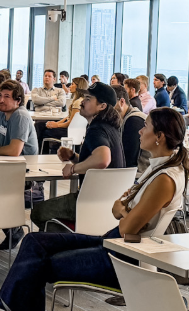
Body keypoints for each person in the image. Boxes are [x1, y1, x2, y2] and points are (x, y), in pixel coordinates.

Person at [0, 108, 189, 311]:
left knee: (35, 265)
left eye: (145, 126)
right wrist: (123, 208)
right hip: (113, 242)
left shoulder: (165, 179)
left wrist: (123, 209)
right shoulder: (158, 168)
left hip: (125, 258)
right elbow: (118, 206)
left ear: (159, 136)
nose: (139, 130)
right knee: (33, 241)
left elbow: (126, 223)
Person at [30, 82, 125, 229]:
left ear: (102, 106)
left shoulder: (96, 129)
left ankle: (71, 241)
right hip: (109, 201)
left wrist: (73, 169)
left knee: (38, 212)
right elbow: (96, 163)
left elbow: (103, 160)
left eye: (88, 99)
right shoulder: (112, 128)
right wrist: (73, 157)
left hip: (90, 199)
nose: (82, 102)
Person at [0, 80, 39, 155]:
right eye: (0, 95)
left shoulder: (20, 116)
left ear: (18, 101)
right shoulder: (0, 114)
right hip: (8, 161)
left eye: (6, 96)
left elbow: (14, 151)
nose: (1, 100)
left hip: (25, 163)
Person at [40, 76, 87, 143]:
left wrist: (56, 125)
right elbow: (68, 118)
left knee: (44, 130)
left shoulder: (78, 102)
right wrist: (56, 123)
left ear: (78, 87)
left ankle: (42, 152)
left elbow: (71, 122)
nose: (70, 86)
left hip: (71, 132)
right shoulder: (82, 100)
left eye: (72, 84)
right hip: (74, 130)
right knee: (41, 125)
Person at [115, 84, 147, 171]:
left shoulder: (134, 120)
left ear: (122, 102)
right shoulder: (124, 118)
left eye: (110, 104)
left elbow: (130, 159)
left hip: (139, 174)